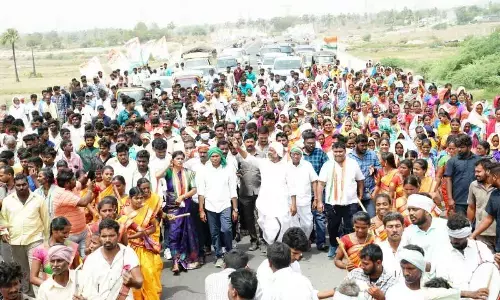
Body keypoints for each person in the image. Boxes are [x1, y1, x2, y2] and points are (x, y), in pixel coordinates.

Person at [231, 138, 295, 246]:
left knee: (281, 225)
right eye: (269, 150)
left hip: (281, 202)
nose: (269, 152)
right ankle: (272, 245)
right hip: (266, 201)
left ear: (278, 152)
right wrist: (237, 147)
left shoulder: (287, 166)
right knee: (266, 225)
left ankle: (280, 247)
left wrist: (293, 203)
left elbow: (292, 186)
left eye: (272, 150)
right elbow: (248, 157)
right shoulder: (263, 163)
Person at [0, 174, 49, 297]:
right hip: (15, 242)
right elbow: (3, 220)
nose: (21, 187)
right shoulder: (7, 201)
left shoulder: (38, 199)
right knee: (23, 272)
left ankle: (40, 297)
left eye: (24, 184)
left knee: (36, 272)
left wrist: (47, 241)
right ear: (14, 186)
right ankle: (26, 296)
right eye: (18, 185)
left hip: (35, 240)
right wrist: (4, 232)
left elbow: (46, 221)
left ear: (28, 184)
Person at [385, 244, 488, 299]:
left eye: (411, 268)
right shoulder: (394, 292)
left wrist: (472, 294)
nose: (406, 273)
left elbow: (449, 293)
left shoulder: (434, 289)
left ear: (421, 268)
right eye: (403, 268)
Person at [318, 142, 365, 257]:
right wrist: (319, 201)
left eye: (340, 151)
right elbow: (320, 184)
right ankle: (334, 246)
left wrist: (360, 195)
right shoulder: (327, 165)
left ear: (345, 151)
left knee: (350, 226)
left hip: (351, 202)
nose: (338, 154)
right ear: (332, 152)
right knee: (333, 227)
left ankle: (351, 249)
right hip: (332, 203)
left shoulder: (353, 164)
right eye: (336, 151)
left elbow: (360, 180)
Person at [434, 213, 499, 297]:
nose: (454, 241)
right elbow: (442, 289)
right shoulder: (441, 253)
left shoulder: (480, 247)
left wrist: (498, 264)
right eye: (451, 236)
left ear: (467, 235)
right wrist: (469, 294)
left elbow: (493, 271)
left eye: (458, 238)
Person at [156, 151, 199, 272]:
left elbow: (194, 189)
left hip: (186, 207)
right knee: (174, 234)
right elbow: (157, 176)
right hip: (172, 208)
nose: (180, 161)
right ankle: (175, 261)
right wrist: (167, 165)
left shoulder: (189, 173)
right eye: (177, 158)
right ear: (173, 160)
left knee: (187, 233)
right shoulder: (168, 172)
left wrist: (183, 196)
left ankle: (185, 259)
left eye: (182, 158)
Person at [80, 219, 143, 299]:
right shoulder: (91, 259)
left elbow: (139, 282)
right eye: (104, 236)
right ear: (99, 237)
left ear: (118, 235)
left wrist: (132, 283)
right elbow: (87, 290)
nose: (107, 240)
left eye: (111, 236)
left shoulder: (128, 253)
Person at [119, 185, 162, 300]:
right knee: (132, 276)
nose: (139, 201)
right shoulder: (124, 211)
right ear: (130, 198)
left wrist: (144, 233)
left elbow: (154, 226)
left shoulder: (147, 210)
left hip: (143, 247)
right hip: (129, 247)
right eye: (136, 198)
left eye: (141, 198)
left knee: (148, 273)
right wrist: (131, 237)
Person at [198, 147, 238, 268]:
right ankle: (219, 255)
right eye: (212, 156)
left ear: (221, 156)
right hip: (210, 206)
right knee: (214, 232)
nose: (215, 158)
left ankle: (230, 253)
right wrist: (201, 210)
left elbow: (233, 190)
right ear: (209, 157)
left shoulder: (228, 169)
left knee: (226, 229)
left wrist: (235, 209)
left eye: (217, 156)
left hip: (225, 205)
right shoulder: (204, 170)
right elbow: (201, 192)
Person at [256, 227, 309, 299]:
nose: (297, 258)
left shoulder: (295, 264)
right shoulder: (265, 270)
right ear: (285, 247)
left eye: (300, 254)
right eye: (294, 253)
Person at [400, 194, 449, 270]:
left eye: (415, 209)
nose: (411, 213)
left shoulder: (444, 226)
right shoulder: (408, 232)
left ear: (426, 212)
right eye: (409, 210)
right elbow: (402, 255)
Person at [52, 169, 95, 257]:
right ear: (67, 183)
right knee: (71, 261)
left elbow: (81, 183)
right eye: (73, 180)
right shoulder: (61, 193)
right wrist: (90, 190)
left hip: (82, 231)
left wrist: (87, 177)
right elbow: (84, 203)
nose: (75, 181)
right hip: (69, 235)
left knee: (85, 259)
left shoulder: (72, 186)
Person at [30, 217, 79, 287]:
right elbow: (33, 278)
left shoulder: (72, 247)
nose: (67, 236)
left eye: (68, 233)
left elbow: (78, 271)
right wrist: (50, 286)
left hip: (69, 289)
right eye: (64, 233)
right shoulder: (40, 250)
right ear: (54, 231)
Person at [235, 133, 264, 251]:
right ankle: (253, 241)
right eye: (247, 142)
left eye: (252, 142)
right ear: (244, 143)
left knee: (262, 216)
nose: (250, 144)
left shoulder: (262, 155)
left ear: (255, 142)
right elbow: (235, 171)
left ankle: (264, 240)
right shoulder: (238, 157)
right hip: (245, 192)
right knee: (249, 218)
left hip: (260, 190)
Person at [445, 134, 480, 215]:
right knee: (461, 225)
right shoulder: (452, 161)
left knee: (475, 226)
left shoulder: (478, 160)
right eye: (458, 147)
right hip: (458, 201)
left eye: (462, 147)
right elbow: (448, 180)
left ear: (470, 147)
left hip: (475, 200)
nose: (459, 149)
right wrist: (450, 199)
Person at [288, 146, 318, 240]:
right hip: (290, 201)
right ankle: (296, 246)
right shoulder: (286, 166)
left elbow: (314, 181)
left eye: (298, 154)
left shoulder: (307, 165)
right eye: (294, 154)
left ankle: (304, 240)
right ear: (290, 155)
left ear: (301, 156)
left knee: (308, 223)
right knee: (293, 225)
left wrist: (316, 199)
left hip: (305, 199)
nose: (296, 156)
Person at [466, 158, 496, 251]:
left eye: (479, 171)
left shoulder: (497, 186)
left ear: (488, 171)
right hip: (481, 233)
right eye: (475, 171)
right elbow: (471, 207)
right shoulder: (473, 185)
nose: (476, 174)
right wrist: (468, 227)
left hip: (497, 232)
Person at [348, 134, 381, 217]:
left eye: (366, 145)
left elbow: (380, 168)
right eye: (362, 145)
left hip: (369, 193)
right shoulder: (349, 157)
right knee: (355, 220)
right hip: (355, 195)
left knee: (372, 217)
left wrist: (375, 169)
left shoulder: (372, 154)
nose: (365, 147)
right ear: (356, 144)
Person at [471, 163, 500, 258]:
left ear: (495, 177)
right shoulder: (494, 194)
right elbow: (488, 219)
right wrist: (472, 235)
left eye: (489, 176)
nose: (487, 179)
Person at [377, 212, 405, 279]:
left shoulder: (411, 248)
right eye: (390, 226)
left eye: (398, 226)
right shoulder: (379, 249)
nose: (394, 230)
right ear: (384, 228)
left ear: (403, 227)